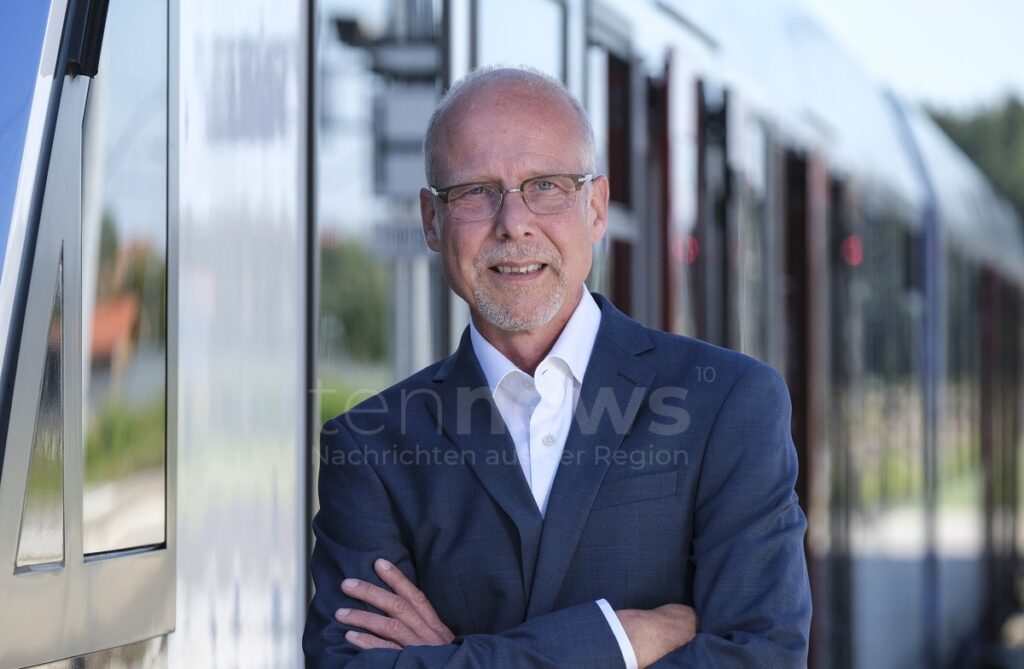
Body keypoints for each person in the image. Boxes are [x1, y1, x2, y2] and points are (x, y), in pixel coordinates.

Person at [304, 66, 811, 668]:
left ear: (595, 207)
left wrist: (456, 658)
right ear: (431, 222)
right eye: (474, 191)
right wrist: (618, 641)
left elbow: (760, 658)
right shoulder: (369, 448)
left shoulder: (729, 403)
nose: (513, 222)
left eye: (545, 186)